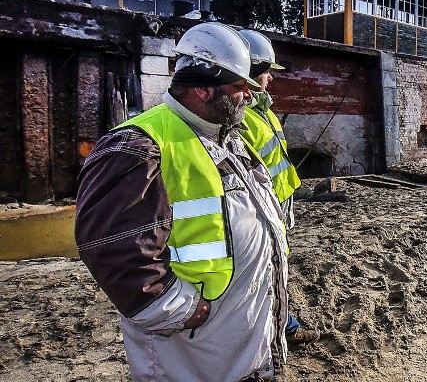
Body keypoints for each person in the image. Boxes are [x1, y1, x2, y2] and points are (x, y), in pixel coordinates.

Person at [75, 22, 290, 381]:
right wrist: (175, 309)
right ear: (205, 89)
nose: (249, 97)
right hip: (191, 342)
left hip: (232, 336)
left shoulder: (226, 137)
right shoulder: (138, 146)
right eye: (239, 87)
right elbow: (111, 246)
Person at [237, 29, 318, 345]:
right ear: (253, 74)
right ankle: (284, 325)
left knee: (277, 263)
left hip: (280, 200)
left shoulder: (262, 110)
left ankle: (282, 321)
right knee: (267, 266)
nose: (271, 79)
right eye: (267, 72)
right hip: (263, 205)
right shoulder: (241, 117)